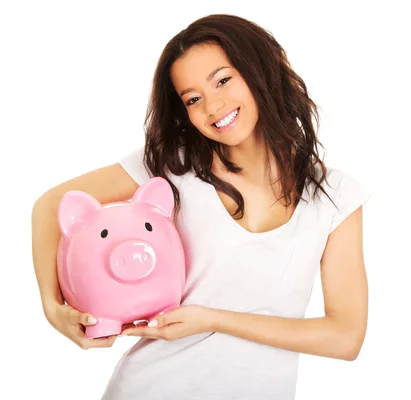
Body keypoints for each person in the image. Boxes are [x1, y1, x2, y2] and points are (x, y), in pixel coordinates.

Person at [31, 13, 372, 400]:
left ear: (262, 70)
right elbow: (50, 206)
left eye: (223, 80)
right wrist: (53, 306)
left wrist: (212, 320)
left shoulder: (335, 195)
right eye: (192, 99)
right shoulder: (173, 164)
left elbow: (345, 338)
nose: (212, 107)